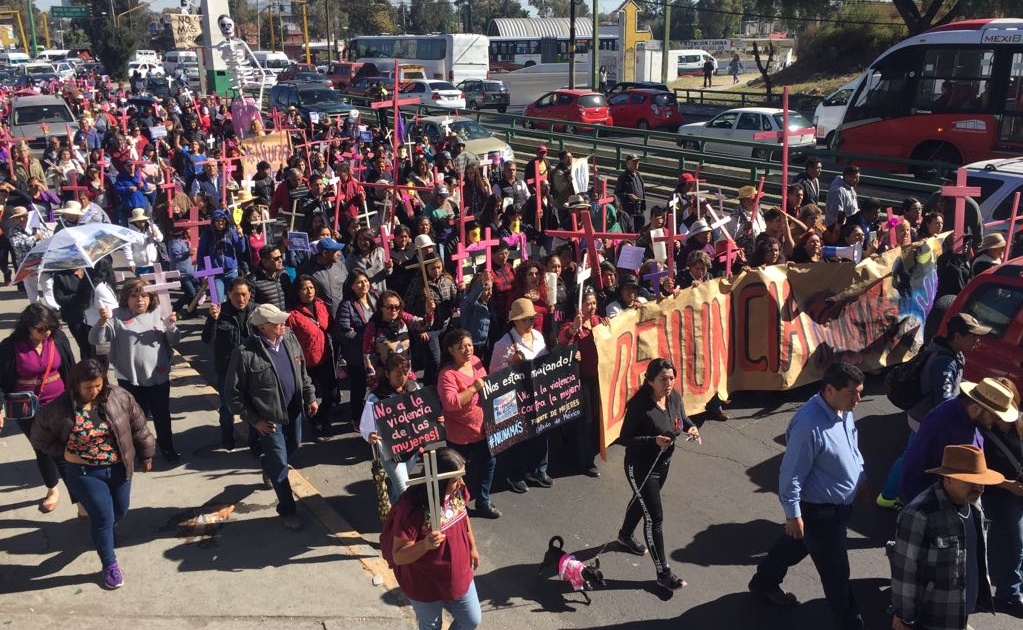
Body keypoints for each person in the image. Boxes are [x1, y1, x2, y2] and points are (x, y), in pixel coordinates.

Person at [748, 362, 867, 630]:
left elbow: (852, 442)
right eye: (853, 393)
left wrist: (861, 477)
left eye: (860, 393)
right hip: (820, 512)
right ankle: (850, 624)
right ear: (829, 390)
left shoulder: (843, 409)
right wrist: (793, 514)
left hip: (836, 509)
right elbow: (790, 475)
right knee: (837, 573)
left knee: (794, 544)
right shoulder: (808, 425)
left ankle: (763, 583)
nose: (858, 400)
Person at [30, 358, 155, 589]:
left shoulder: (119, 397)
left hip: (118, 467)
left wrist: (146, 454)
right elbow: (39, 437)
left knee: (120, 509)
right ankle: (109, 564)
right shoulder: (59, 408)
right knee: (102, 517)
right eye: (88, 387)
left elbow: (139, 425)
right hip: (85, 472)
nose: (94, 391)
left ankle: (104, 532)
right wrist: (64, 452)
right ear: (76, 384)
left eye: (98, 385)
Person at [878, 313, 991, 509]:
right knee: (911, 457)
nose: (977, 340)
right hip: (925, 418)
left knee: (910, 454)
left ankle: (889, 494)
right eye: (973, 336)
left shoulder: (945, 349)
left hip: (921, 414)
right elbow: (944, 399)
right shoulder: (945, 362)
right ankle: (888, 497)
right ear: (957, 336)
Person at [890, 445, 1005, 630]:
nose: (980, 487)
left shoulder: (974, 504)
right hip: (932, 618)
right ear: (948, 479)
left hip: (961, 611)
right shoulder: (919, 513)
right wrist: (905, 618)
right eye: (971, 481)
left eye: (981, 480)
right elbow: (905, 571)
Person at [225, 303, 318, 531]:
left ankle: (268, 463)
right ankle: (287, 510)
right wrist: (254, 420)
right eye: (277, 322)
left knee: (293, 446)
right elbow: (232, 395)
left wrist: (310, 397)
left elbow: (302, 372)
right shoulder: (244, 354)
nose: (283, 325)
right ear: (263, 327)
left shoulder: (290, 339)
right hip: (269, 419)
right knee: (280, 464)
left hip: (294, 411)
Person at [615, 357, 698, 591]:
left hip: (663, 465)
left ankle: (624, 535)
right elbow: (625, 438)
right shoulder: (640, 405)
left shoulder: (674, 397)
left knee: (643, 503)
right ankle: (663, 572)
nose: (669, 383)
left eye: (672, 378)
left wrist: (691, 427)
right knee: (654, 518)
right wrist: (653, 441)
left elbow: (681, 420)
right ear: (650, 381)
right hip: (640, 468)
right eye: (663, 379)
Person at [382, 446, 482, 630]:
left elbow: (463, 515)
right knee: (431, 626)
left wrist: (472, 547)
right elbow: (399, 555)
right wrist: (425, 544)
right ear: (438, 481)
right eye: (455, 479)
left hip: (458, 570)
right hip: (424, 579)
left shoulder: (457, 490)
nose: (461, 482)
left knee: (471, 619)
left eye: (461, 475)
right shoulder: (410, 508)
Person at [90, 279, 181, 463]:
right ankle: (141, 451)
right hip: (130, 379)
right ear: (126, 298)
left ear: (151, 297)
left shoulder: (159, 312)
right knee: (136, 419)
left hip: (158, 377)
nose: (139, 300)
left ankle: (167, 446)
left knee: (162, 415)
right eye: (134, 295)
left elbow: (174, 340)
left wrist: (171, 325)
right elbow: (95, 339)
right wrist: (101, 321)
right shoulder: (115, 316)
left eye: (144, 295)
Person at [0, 304, 78, 513]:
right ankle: (53, 489)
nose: (46, 333)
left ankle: (79, 501)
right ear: (27, 326)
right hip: (27, 409)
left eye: (50, 328)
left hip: (60, 405)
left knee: (64, 450)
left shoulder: (58, 339)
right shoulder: (10, 346)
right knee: (42, 449)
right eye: (40, 329)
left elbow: (70, 368)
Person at [901, 377, 1017, 505]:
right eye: (995, 416)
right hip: (940, 503)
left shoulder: (972, 419)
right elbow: (915, 464)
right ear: (975, 408)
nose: (996, 422)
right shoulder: (941, 422)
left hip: (963, 499)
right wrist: (918, 506)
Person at [438, 328, 500, 519]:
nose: (467, 350)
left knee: (488, 465)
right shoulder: (447, 375)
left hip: (483, 429)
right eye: (461, 347)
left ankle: (483, 502)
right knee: (456, 473)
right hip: (460, 435)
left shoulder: (476, 362)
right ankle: (453, 507)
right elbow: (450, 403)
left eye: (469, 345)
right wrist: (473, 388)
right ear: (451, 350)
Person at [491, 299, 552, 494]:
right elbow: (494, 373)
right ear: (515, 321)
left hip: (538, 392)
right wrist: (511, 364)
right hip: (517, 397)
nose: (530, 323)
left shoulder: (538, 336)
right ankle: (515, 474)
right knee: (521, 437)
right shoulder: (504, 343)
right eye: (526, 319)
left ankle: (538, 469)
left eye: (532, 318)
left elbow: (546, 359)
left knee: (541, 433)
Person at [979, 379, 1023, 616]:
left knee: (1019, 544)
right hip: (999, 495)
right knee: (1012, 544)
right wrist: (1008, 485)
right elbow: (976, 470)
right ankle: (1008, 594)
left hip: (1017, 493)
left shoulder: (1018, 423)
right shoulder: (981, 431)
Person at [360, 353, 424, 503]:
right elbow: (366, 426)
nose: (403, 378)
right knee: (404, 491)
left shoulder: (413, 386)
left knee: (397, 490)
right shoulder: (375, 398)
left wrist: (434, 417)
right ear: (387, 374)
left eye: (405, 374)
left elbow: (423, 410)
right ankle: (403, 521)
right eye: (398, 375)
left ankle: (393, 518)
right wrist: (369, 435)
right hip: (392, 454)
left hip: (412, 450)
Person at [201, 277, 256, 450]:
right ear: (228, 295)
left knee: (254, 407)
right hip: (228, 371)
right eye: (237, 295)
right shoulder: (219, 312)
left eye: (244, 294)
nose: (241, 299)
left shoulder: (256, 311)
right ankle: (227, 437)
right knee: (227, 409)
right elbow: (207, 339)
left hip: (252, 370)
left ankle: (255, 444)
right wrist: (212, 320)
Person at [558, 288, 605, 477]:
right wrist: (572, 330)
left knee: (595, 418)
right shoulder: (572, 324)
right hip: (580, 380)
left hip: (597, 378)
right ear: (579, 305)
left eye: (594, 303)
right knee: (584, 422)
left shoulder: (598, 321)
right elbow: (562, 342)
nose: (592, 307)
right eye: (588, 304)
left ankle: (590, 451)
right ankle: (585, 461)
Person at [286, 275, 337, 437]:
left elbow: (329, 326)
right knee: (310, 396)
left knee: (332, 393)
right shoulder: (292, 315)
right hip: (306, 363)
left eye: (311, 288)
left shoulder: (321, 305)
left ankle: (324, 417)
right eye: (304, 289)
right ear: (297, 292)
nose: (309, 292)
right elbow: (289, 340)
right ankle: (315, 423)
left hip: (325, 357)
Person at [615, 154, 646, 231]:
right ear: (628, 164)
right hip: (629, 212)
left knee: (640, 232)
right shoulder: (623, 177)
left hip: (639, 211)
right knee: (630, 232)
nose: (637, 164)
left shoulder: (638, 175)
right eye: (634, 162)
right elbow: (617, 194)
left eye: (637, 162)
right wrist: (628, 196)